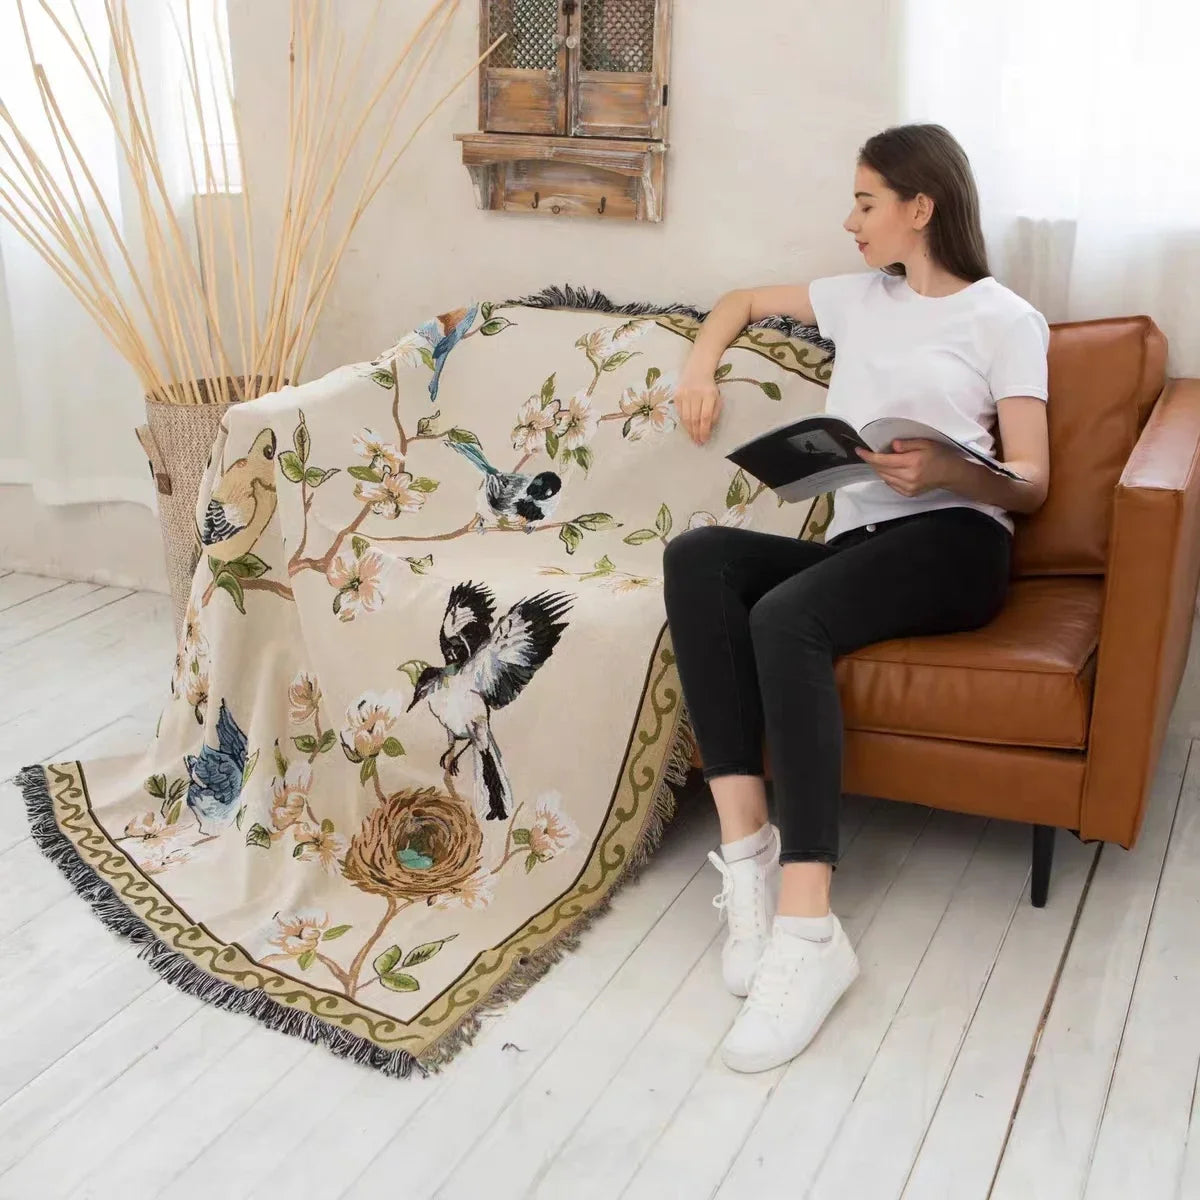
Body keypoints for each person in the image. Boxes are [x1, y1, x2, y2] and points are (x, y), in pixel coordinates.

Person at [662, 123, 1051, 1074]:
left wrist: (953, 474)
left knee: (785, 616)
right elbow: (741, 300)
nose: (850, 221)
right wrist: (698, 367)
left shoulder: (1006, 319)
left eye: (866, 202)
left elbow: (1034, 482)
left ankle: (807, 932)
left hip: (959, 543)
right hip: (862, 539)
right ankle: (747, 858)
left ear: (921, 208)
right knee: (701, 557)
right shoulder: (859, 297)